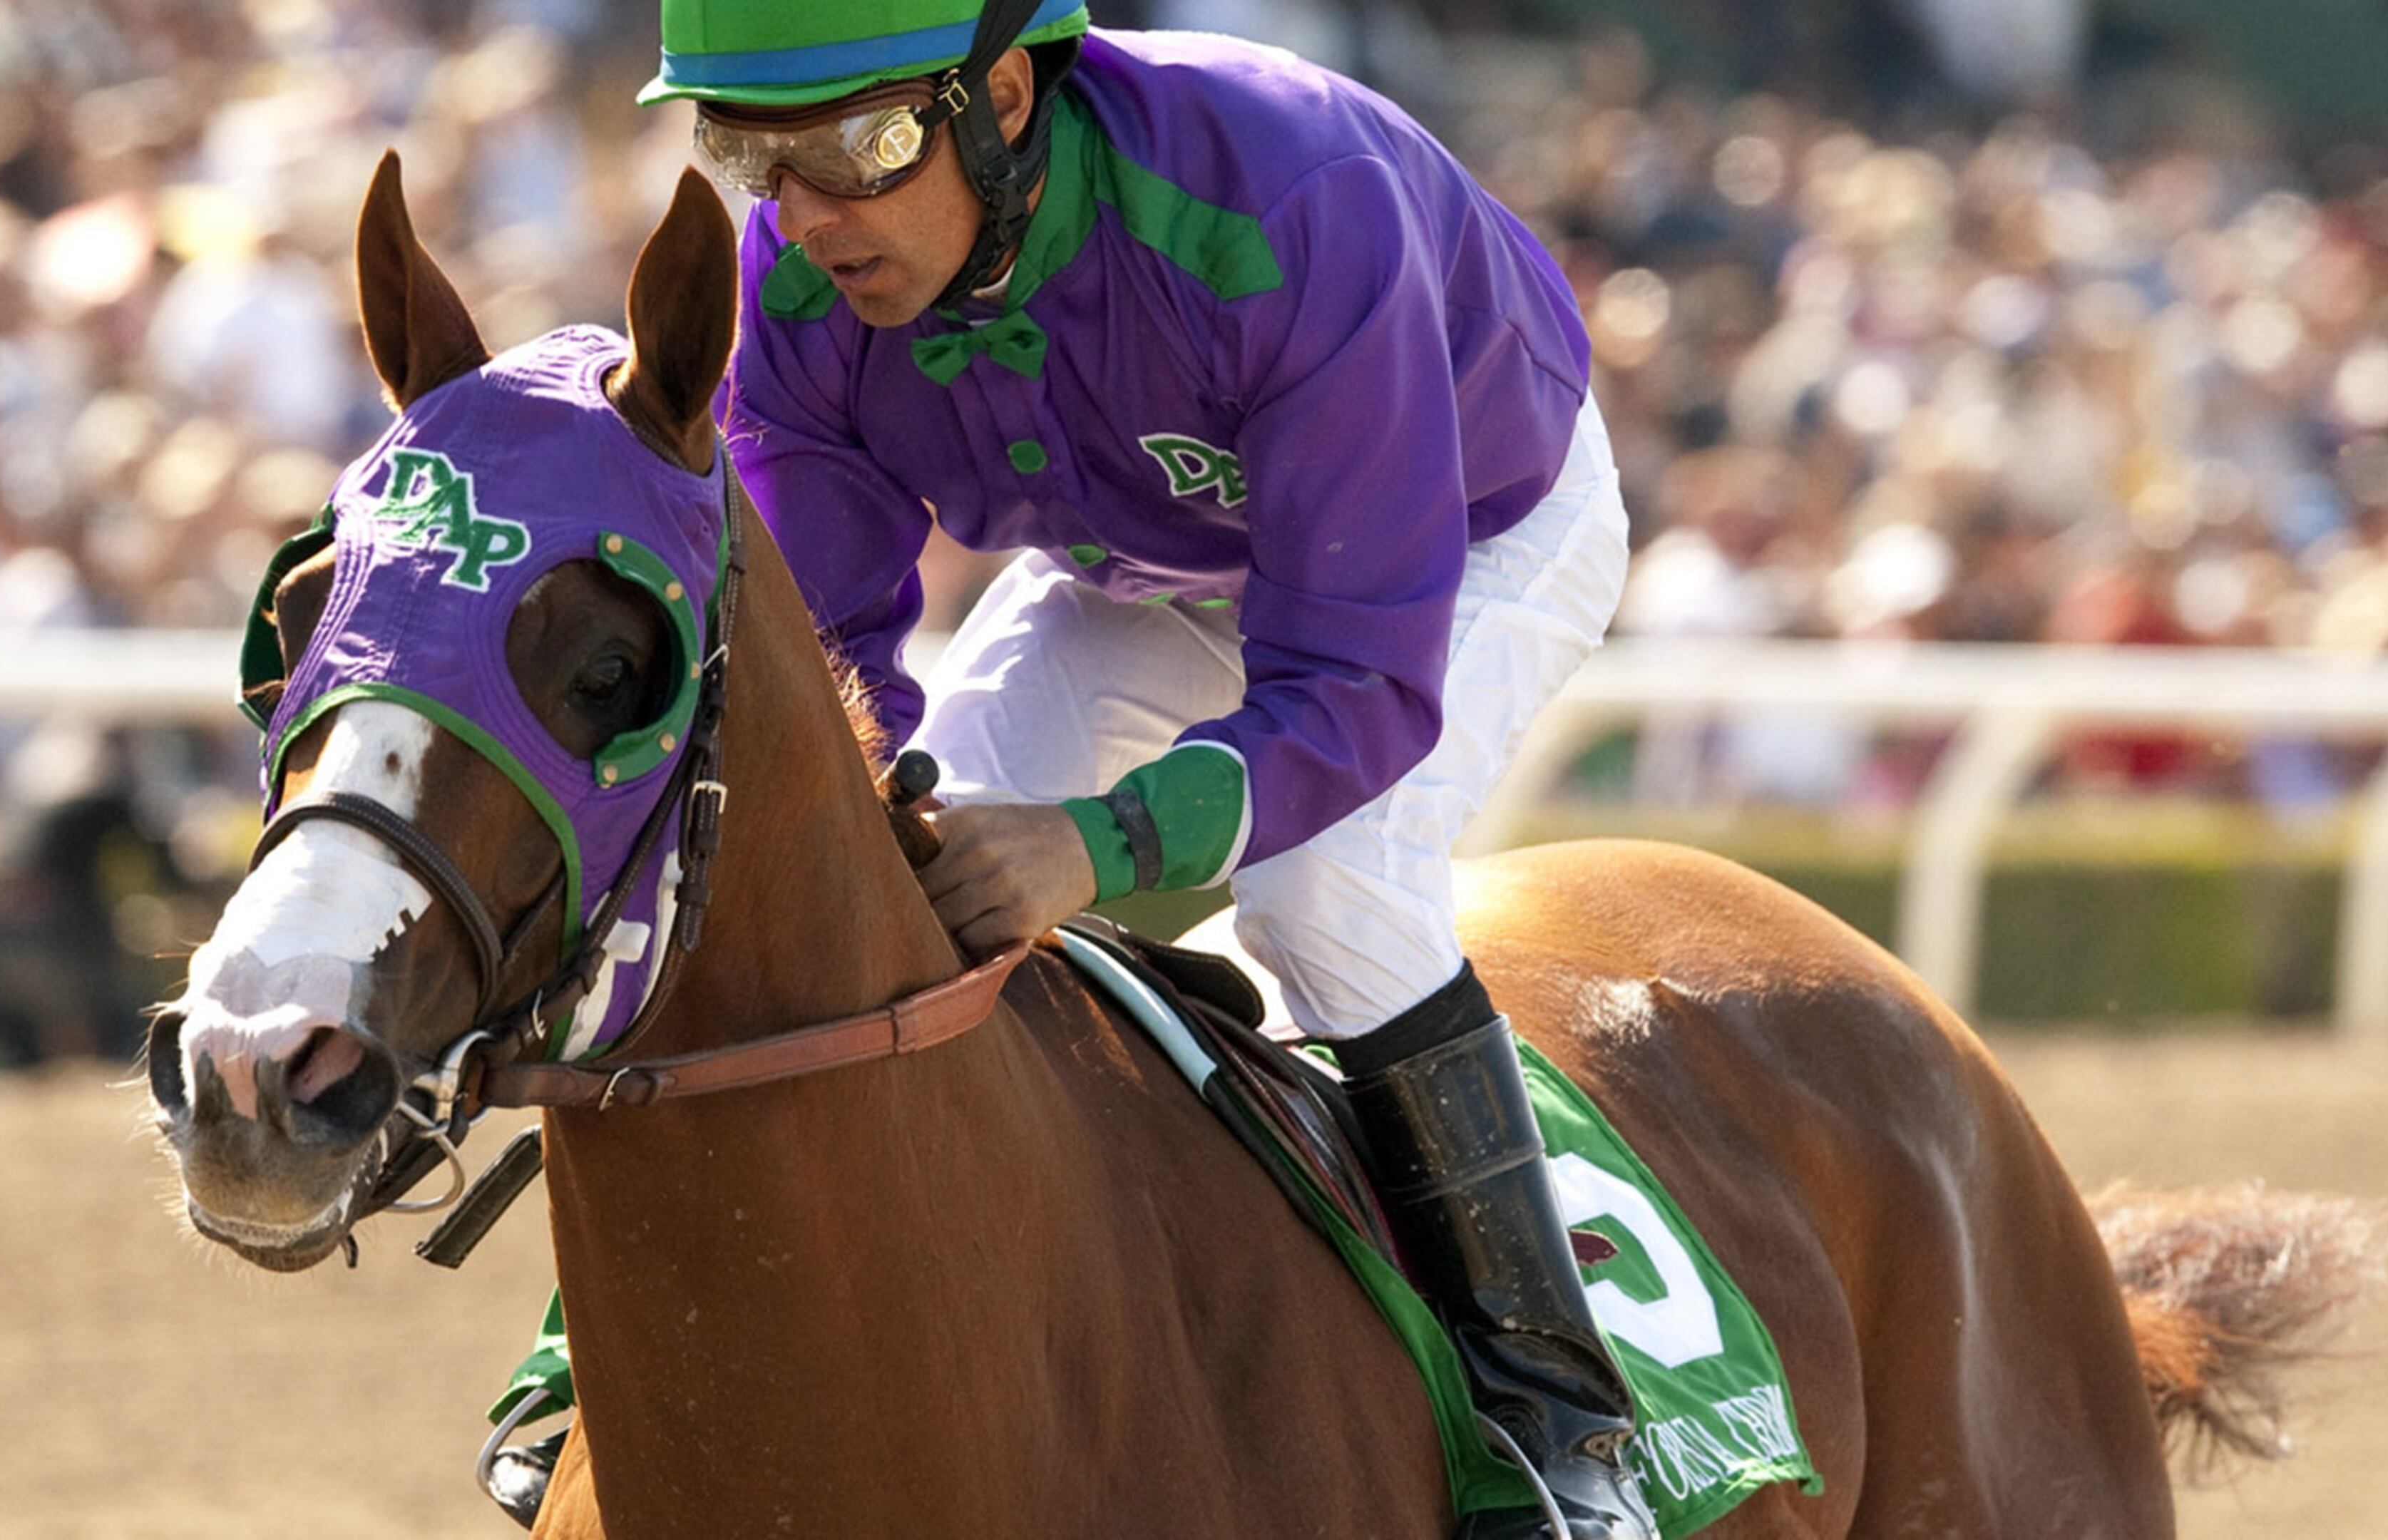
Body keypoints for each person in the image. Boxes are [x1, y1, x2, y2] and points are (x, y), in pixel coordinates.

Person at [493, 4, 1646, 1534]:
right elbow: (819, 676)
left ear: (1006, 94)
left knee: (1321, 884)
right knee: (893, 863)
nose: (810, 213)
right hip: (1139, 570)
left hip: (1469, 533)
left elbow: (1350, 677)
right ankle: (600, 1342)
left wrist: (1095, 845)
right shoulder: (796, 283)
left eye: (861, 144)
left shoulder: (1285, 200)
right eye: (753, 151)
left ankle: (1554, 1410)